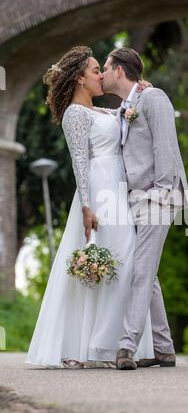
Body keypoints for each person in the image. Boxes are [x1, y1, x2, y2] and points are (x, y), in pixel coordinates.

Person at [25, 46, 154, 369]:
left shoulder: (105, 112)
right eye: (96, 70)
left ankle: (115, 343)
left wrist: (142, 94)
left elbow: (128, 115)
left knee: (123, 259)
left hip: (119, 189)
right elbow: (80, 161)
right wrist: (86, 205)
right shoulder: (75, 114)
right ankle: (83, 345)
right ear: (81, 79)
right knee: (100, 262)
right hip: (98, 192)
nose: (101, 76)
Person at [101, 47, 188, 370]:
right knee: (148, 274)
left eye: (106, 68)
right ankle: (164, 349)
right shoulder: (126, 107)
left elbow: (165, 144)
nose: (101, 75)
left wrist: (161, 191)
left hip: (158, 196)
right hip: (136, 199)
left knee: (140, 270)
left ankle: (127, 347)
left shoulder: (154, 98)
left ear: (120, 72)